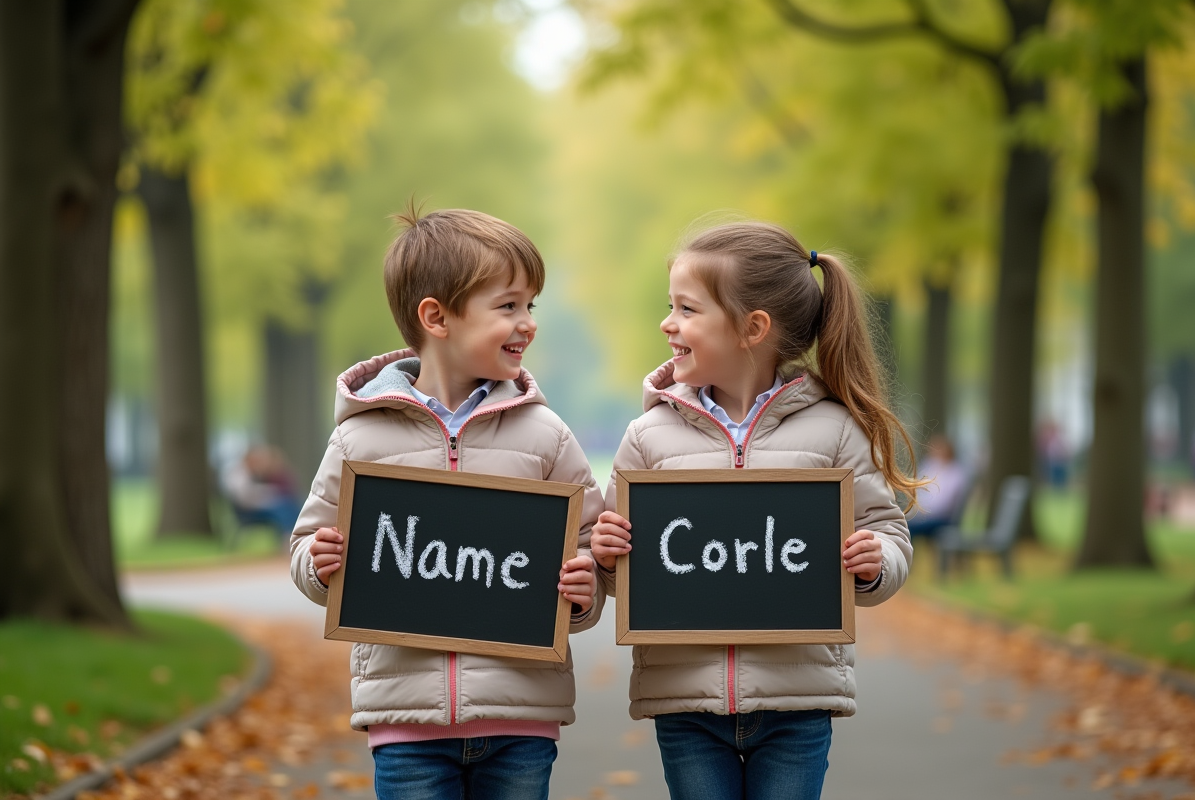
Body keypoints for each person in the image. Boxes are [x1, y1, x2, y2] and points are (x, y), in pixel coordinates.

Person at [589, 220, 921, 800]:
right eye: (671, 307)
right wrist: (609, 554)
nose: (668, 323)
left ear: (752, 328)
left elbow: (885, 530)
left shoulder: (836, 431)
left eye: (687, 309)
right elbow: (619, 568)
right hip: (685, 697)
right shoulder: (648, 437)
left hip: (797, 699)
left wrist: (876, 560)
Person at [288, 206, 604, 800]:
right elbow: (308, 544)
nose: (527, 322)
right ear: (436, 317)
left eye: (530, 305)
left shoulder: (546, 437)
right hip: (406, 723)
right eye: (508, 305)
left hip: (521, 716)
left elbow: (586, 552)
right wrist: (318, 561)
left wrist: (585, 592)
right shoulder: (361, 438)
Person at [222, 444, 302, 539]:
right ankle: (288, 536)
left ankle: (293, 534)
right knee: (281, 509)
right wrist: (265, 493)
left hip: (257, 506)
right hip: (248, 511)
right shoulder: (238, 474)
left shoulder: (251, 473)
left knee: (288, 505)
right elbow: (244, 497)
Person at [906, 434, 970, 539]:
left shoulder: (955, 472)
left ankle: (907, 554)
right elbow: (918, 490)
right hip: (925, 515)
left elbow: (945, 503)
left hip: (943, 519)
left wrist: (924, 511)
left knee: (909, 527)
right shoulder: (930, 466)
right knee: (905, 524)